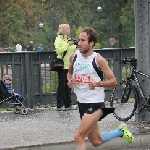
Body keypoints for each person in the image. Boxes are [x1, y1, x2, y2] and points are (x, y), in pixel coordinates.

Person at [67, 27, 134, 150]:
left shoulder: (98, 59)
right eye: (79, 40)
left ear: (91, 43)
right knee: (97, 141)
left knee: (78, 137)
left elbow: (113, 81)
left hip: (95, 103)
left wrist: (98, 84)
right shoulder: (74, 57)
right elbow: (70, 72)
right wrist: (70, 80)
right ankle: (121, 132)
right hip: (82, 103)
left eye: (83, 40)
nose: (79, 43)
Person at [54, 24, 77, 111]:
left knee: (69, 85)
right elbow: (59, 50)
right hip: (62, 65)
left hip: (70, 65)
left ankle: (68, 104)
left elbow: (73, 50)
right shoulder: (58, 39)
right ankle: (60, 105)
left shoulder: (69, 39)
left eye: (69, 28)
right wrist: (68, 44)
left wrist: (77, 45)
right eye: (67, 29)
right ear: (62, 30)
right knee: (62, 85)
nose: (69, 30)